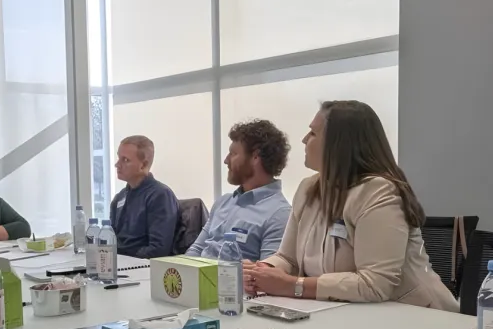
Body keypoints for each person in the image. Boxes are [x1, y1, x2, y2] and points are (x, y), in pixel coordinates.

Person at [245, 100, 457, 310]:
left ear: (338, 144)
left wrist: (293, 286)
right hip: (346, 314)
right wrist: (263, 271)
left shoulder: (379, 191)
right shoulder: (308, 188)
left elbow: (374, 283)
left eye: (313, 133)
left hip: (416, 315)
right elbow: (287, 258)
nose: (303, 139)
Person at [186, 119, 293, 260]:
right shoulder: (223, 202)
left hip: (231, 281)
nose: (225, 160)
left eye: (233, 154)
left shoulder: (279, 214)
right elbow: (197, 249)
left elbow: (267, 276)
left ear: (255, 156)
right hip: (198, 279)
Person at [110, 135, 179, 258]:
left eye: (125, 160)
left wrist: (124, 258)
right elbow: (111, 240)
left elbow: (158, 250)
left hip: (141, 267)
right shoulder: (119, 198)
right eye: (118, 158)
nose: (117, 164)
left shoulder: (160, 195)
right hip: (118, 263)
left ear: (143, 165)